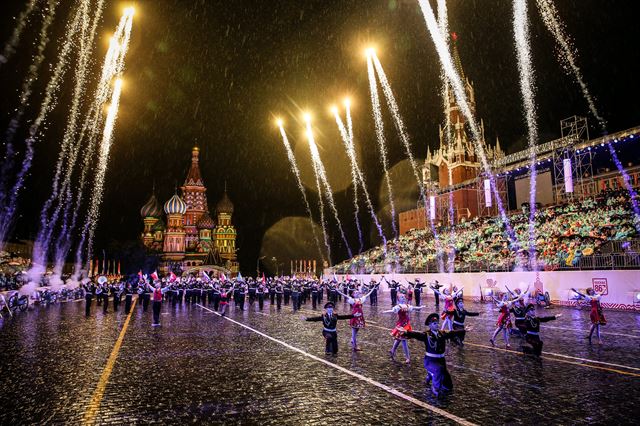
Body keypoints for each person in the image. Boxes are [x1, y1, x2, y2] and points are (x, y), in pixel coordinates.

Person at [403, 313, 466, 397]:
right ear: (430, 325)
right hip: (430, 361)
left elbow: (452, 333)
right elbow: (416, 334)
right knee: (438, 370)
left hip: (441, 361)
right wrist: (406, 332)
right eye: (434, 323)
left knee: (448, 386)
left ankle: (430, 375)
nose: (437, 325)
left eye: (437, 323)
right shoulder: (426, 335)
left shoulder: (442, 333)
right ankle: (435, 388)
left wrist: (464, 330)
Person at [383, 294, 424, 364]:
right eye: (402, 297)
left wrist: (420, 307)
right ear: (398, 299)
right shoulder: (398, 307)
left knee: (399, 338)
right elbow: (392, 311)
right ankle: (408, 357)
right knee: (403, 340)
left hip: (406, 324)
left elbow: (414, 308)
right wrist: (385, 312)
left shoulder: (407, 305)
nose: (404, 298)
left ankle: (392, 350)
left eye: (404, 297)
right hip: (401, 325)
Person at [337, 287, 375, 352]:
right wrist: (338, 291)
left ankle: (352, 339)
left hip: (360, 316)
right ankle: (355, 346)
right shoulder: (352, 300)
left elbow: (368, 294)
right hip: (355, 316)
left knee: (357, 329)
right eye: (355, 293)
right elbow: (344, 295)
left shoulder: (361, 299)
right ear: (353, 294)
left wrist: (373, 288)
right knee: (354, 331)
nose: (357, 293)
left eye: (357, 292)